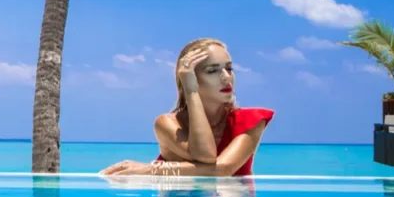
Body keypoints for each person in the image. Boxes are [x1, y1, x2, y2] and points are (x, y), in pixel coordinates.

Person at [100, 38, 273, 177]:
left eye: (229, 68)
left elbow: (223, 169)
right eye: (213, 71)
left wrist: (149, 170)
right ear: (190, 78)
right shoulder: (168, 124)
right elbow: (206, 156)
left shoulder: (250, 121)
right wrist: (191, 91)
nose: (227, 77)